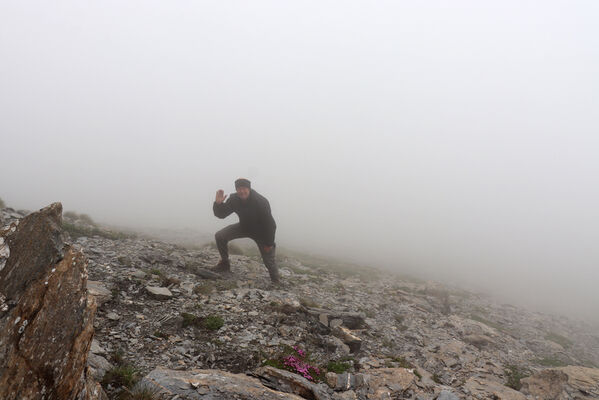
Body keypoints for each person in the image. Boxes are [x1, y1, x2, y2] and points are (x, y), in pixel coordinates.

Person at [212, 178, 280, 283]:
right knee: (220, 236)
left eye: (244, 188)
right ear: (236, 189)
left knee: (269, 260)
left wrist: (269, 243)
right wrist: (218, 204)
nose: (242, 191)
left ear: (249, 189)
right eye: (239, 189)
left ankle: (276, 281)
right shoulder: (234, 199)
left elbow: (271, 225)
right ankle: (225, 264)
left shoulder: (261, 201)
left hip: (261, 232)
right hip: (243, 227)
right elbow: (221, 214)